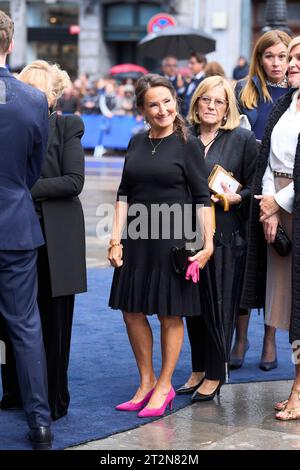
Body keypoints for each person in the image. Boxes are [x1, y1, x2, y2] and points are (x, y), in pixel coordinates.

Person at [108, 73, 214, 417]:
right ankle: (146, 381)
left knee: (170, 314)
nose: (162, 109)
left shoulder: (189, 144)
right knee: (131, 311)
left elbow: (202, 198)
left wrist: (208, 243)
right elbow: (124, 192)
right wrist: (115, 239)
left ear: (176, 104)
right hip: (137, 239)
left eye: (167, 102)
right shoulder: (137, 142)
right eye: (153, 104)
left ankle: (165, 386)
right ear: (142, 109)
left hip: (173, 240)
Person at [0, 60, 87, 421]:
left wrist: (22, 190)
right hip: (19, 229)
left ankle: (53, 397)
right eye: (28, 84)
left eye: (41, 86)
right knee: (11, 324)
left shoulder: (67, 125)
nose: (34, 92)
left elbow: (73, 180)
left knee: (51, 322)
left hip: (54, 237)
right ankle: (15, 391)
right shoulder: (13, 119)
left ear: (53, 94)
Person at [177, 76, 257, 401]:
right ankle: (197, 369)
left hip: (226, 235)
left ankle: (215, 373)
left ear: (228, 109)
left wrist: (236, 199)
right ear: (196, 103)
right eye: (205, 100)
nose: (211, 106)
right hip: (186, 233)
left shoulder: (243, 139)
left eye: (219, 102)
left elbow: (256, 186)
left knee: (218, 306)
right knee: (191, 306)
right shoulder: (184, 137)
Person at [0, 11, 52, 449]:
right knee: (25, 326)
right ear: (10, 45)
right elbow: (33, 169)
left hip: (15, 223)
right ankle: (39, 421)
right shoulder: (34, 100)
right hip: (15, 225)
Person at [242, 36, 300, 420]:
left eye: (297, 58)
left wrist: (278, 202)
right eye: (290, 58)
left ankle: (299, 390)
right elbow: (267, 162)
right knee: (289, 303)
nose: (292, 64)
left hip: (292, 202)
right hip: (278, 206)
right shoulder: (286, 103)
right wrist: (269, 207)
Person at [232, 29, 292, 371]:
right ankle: (241, 337)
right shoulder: (245, 89)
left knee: (274, 264)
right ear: (259, 57)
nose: (276, 63)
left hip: (277, 189)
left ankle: (269, 339)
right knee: (244, 265)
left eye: (282, 56)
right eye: (269, 56)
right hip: (244, 185)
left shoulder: (293, 93)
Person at [182, 52, 207, 117]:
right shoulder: (190, 80)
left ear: (202, 64)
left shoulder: (205, 82)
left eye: (192, 63)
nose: (189, 66)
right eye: (189, 63)